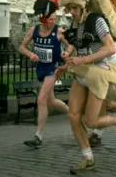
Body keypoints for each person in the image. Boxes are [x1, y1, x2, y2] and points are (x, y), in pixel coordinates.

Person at [59, 0, 116, 174]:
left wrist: (83, 59)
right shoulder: (76, 23)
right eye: (69, 9)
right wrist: (68, 54)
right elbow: (76, 45)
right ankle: (87, 157)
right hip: (83, 72)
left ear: (84, 5)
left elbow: (110, 48)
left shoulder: (96, 20)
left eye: (75, 7)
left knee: (91, 121)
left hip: (99, 72)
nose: (72, 12)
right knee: (73, 115)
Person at [19, 10, 72, 148]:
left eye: (55, 19)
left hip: (53, 68)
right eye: (50, 19)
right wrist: (30, 54)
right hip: (41, 67)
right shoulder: (34, 30)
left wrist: (67, 52)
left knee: (41, 99)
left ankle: (38, 137)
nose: (53, 22)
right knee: (51, 101)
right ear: (43, 19)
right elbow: (22, 47)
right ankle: (73, 114)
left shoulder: (59, 31)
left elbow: (71, 44)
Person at [88, 39, 116, 147]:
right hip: (98, 70)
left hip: (111, 72)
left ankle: (98, 134)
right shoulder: (96, 35)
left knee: (103, 101)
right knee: (105, 102)